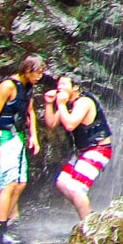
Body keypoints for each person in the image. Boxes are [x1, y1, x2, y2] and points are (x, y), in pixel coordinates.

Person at [0, 54, 45, 244]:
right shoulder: (8, 86)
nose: (40, 76)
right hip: (3, 138)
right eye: (38, 72)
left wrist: (33, 136)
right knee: (8, 184)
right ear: (27, 70)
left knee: (20, 184)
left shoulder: (28, 87)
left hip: (18, 138)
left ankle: (5, 226)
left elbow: (30, 112)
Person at [41, 75, 114, 221]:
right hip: (82, 151)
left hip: (98, 150)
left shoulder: (83, 102)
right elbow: (51, 124)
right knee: (62, 183)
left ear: (75, 87)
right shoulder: (68, 103)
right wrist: (49, 104)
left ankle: (89, 225)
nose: (59, 87)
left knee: (75, 188)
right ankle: (89, 214)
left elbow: (70, 125)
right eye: (58, 85)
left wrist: (61, 105)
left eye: (63, 84)